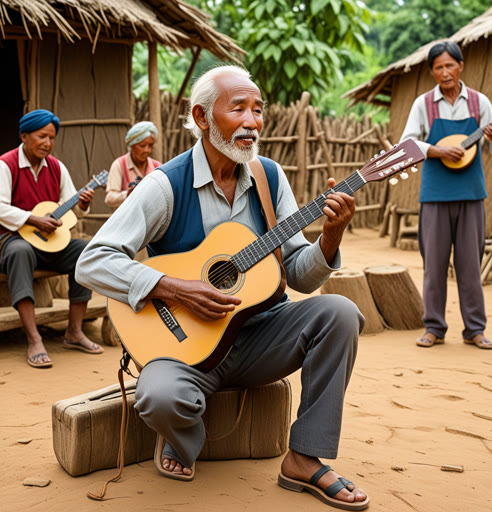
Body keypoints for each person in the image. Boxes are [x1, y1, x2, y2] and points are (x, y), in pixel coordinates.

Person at [76, 65, 369, 510]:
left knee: (341, 314)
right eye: (239, 109)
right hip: (185, 346)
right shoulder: (165, 185)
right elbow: (92, 261)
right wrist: (174, 288)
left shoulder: (269, 179)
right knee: (158, 398)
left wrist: (330, 236)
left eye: (258, 109)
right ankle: (184, 437)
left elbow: (303, 278)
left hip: (260, 336)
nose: (253, 121)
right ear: (201, 117)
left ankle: (305, 458)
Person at [400, 41, 492, 350]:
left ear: (461, 66)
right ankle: (434, 327)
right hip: (435, 194)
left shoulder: (479, 103)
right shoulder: (424, 104)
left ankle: (475, 329)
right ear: (432, 71)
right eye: (438, 67)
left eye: (450, 65)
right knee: (433, 264)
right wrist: (437, 150)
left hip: (471, 193)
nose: (445, 72)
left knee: (470, 264)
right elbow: (407, 144)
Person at [0, 109, 104, 368]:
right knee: (20, 252)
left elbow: (68, 209)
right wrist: (33, 219)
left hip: (48, 243)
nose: (47, 143)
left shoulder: (57, 168)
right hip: (11, 240)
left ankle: (74, 331)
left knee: (87, 249)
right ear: (24, 136)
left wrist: (82, 205)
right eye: (41, 136)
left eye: (52, 138)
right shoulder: (6, 164)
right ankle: (34, 338)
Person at [104, 121, 161, 208]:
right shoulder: (119, 165)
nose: (147, 150)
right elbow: (109, 199)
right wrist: (127, 194)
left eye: (150, 146)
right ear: (131, 145)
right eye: (142, 146)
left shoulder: (157, 167)